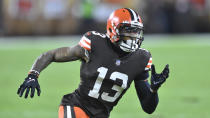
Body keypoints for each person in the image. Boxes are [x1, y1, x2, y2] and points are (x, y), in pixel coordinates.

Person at [17, 8, 170, 118]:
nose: (134, 36)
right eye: (128, 31)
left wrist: (154, 91)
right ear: (113, 29)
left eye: (136, 32)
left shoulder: (142, 58)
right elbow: (52, 54)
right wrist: (33, 74)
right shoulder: (94, 43)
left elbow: (148, 109)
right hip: (76, 106)